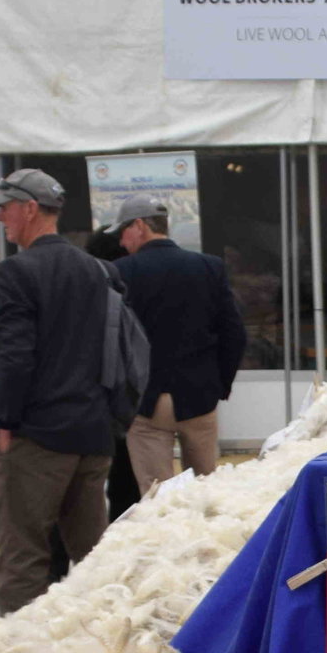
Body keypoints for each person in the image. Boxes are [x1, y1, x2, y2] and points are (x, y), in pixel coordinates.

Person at [0, 168, 120, 614]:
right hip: (92, 432)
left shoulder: (19, 271)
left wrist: (5, 419)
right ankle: (107, 640)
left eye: (5, 207)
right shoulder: (99, 270)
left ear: (30, 209)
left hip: (39, 435)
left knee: (23, 555)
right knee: (94, 557)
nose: (0, 216)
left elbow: (16, 356)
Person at [112, 194, 245, 493]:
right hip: (199, 396)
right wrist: (219, 385)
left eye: (122, 231)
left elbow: (114, 341)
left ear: (139, 226)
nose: (121, 241)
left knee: (157, 497)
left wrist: (123, 394)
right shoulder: (209, 267)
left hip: (146, 402)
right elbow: (234, 334)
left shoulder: (122, 272)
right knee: (206, 493)